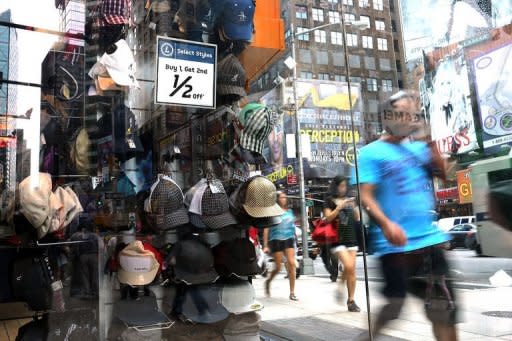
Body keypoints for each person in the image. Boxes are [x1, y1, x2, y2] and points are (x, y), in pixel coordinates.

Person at [355, 90, 457, 341]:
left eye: (411, 113)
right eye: (401, 113)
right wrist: (386, 224)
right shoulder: (370, 153)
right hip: (395, 247)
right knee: (393, 307)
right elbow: (365, 196)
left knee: (442, 308)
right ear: (387, 118)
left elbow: (444, 174)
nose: (408, 117)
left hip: (429, 242)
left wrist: (426, 137)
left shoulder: (419, 148)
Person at [322, 175, 361, 312]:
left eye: (345, 186)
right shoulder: (329, 201)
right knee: (349, 266)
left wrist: (354, 207)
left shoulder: (349, 199)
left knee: (352, 270)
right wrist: (339, 208)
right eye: (341, 186)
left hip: (351, 237)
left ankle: (351, 301)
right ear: (335, 186)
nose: (343, 188)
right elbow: (327, 218)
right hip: (337, 239)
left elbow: (357, 218)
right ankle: (340, 285)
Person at [263, 191, 298, 301]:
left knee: (291, 264)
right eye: (282, 197)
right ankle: (268, 281)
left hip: (289, 239)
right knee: (278, 268)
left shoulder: (290, 212)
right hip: (275, 239)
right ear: (277, 199)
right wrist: (265, 245)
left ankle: (292, 292)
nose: (284, 199)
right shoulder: (272, 213)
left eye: (285, 197)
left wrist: (296, 239)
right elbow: (266, 229)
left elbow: (293, 227)